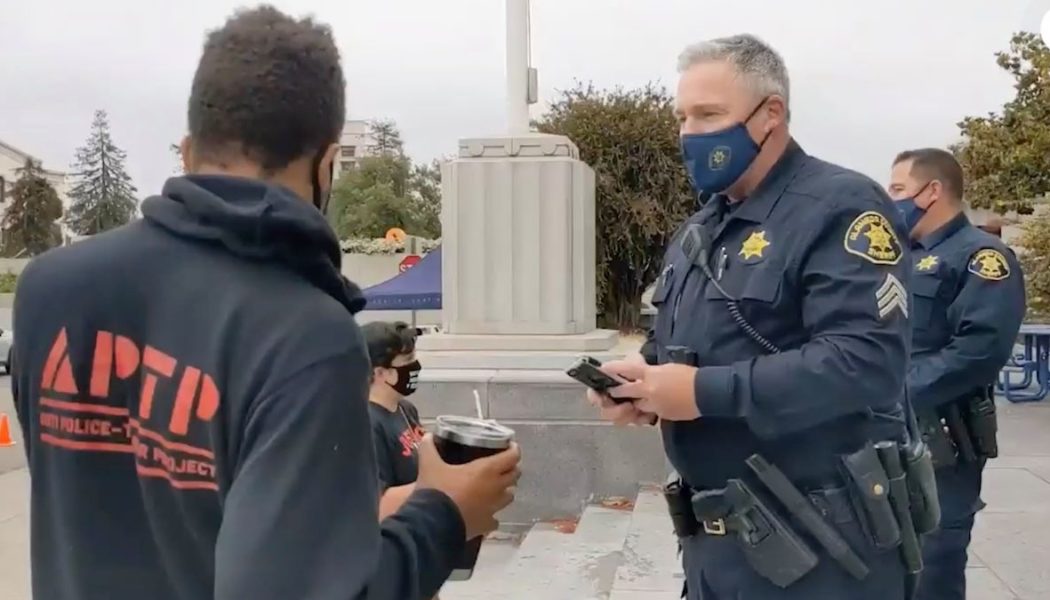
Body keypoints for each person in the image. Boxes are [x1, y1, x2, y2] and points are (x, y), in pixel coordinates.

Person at [11, 7, 520, 600]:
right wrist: (445, 512)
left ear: (186, 152)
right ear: (327, 165)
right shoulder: (307, 336)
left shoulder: (50, 290)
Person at [587, 34, 914, 599]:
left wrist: (701, 393)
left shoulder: (839, 207)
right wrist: (641, 380)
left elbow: (867, 361)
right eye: (682, 117)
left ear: (771, 115)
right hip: (717, 547)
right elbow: (682, 344)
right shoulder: (701, 230)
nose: (691, 133)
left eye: (710, 114)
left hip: (821, 550)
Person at [887, 148, 1025, 600]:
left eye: (898, 190)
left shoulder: (982, 257)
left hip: (941, 441)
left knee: (933, 568)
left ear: (932, 192)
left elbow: (979, 351)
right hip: (880, 438)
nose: (891, 201)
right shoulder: (896, 257)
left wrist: (894, 392)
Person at [362, 321, 427, 519]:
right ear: (381, 373)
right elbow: (378, 502)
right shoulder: (366, 424)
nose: (415, 366)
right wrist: (442, 485)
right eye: (408, 359)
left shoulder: (405, 409)